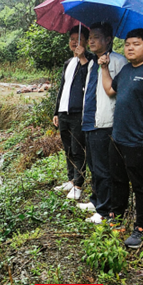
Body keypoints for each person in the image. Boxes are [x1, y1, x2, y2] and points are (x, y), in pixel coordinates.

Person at [99, 28, 143, 248]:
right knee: (117, 180)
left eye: (136, 43)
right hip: (118, 137)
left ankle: (141, 229)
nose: (130, 47)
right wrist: (104, 67)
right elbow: (111, 90)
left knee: (141, 186)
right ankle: (116, 218)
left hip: (139, 141)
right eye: (127, 43)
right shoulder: (128, 70)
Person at [79, 22, 127, 223]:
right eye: (90, 36)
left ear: (109, 40)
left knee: (103, 168)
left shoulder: (117, 62)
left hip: (105, 122)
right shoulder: (92, 62)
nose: (91, 40)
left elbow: (119, 93)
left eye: (96, 37)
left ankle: (105, 210)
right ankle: (96, 199)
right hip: (89, 119)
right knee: (93, 164)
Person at [53, 25, 93, 200]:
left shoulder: (90, 61)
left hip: (78, 112)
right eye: (71, 40)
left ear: (85, 42)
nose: (74, 43)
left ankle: (78, 184)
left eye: (78, 40)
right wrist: (56, 111)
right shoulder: (68, 63)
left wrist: (82, 57)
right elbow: (62, 88)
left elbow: (88, 80)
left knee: (78, 148)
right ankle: (70, 179)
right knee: (68, 148)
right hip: (63, 112)